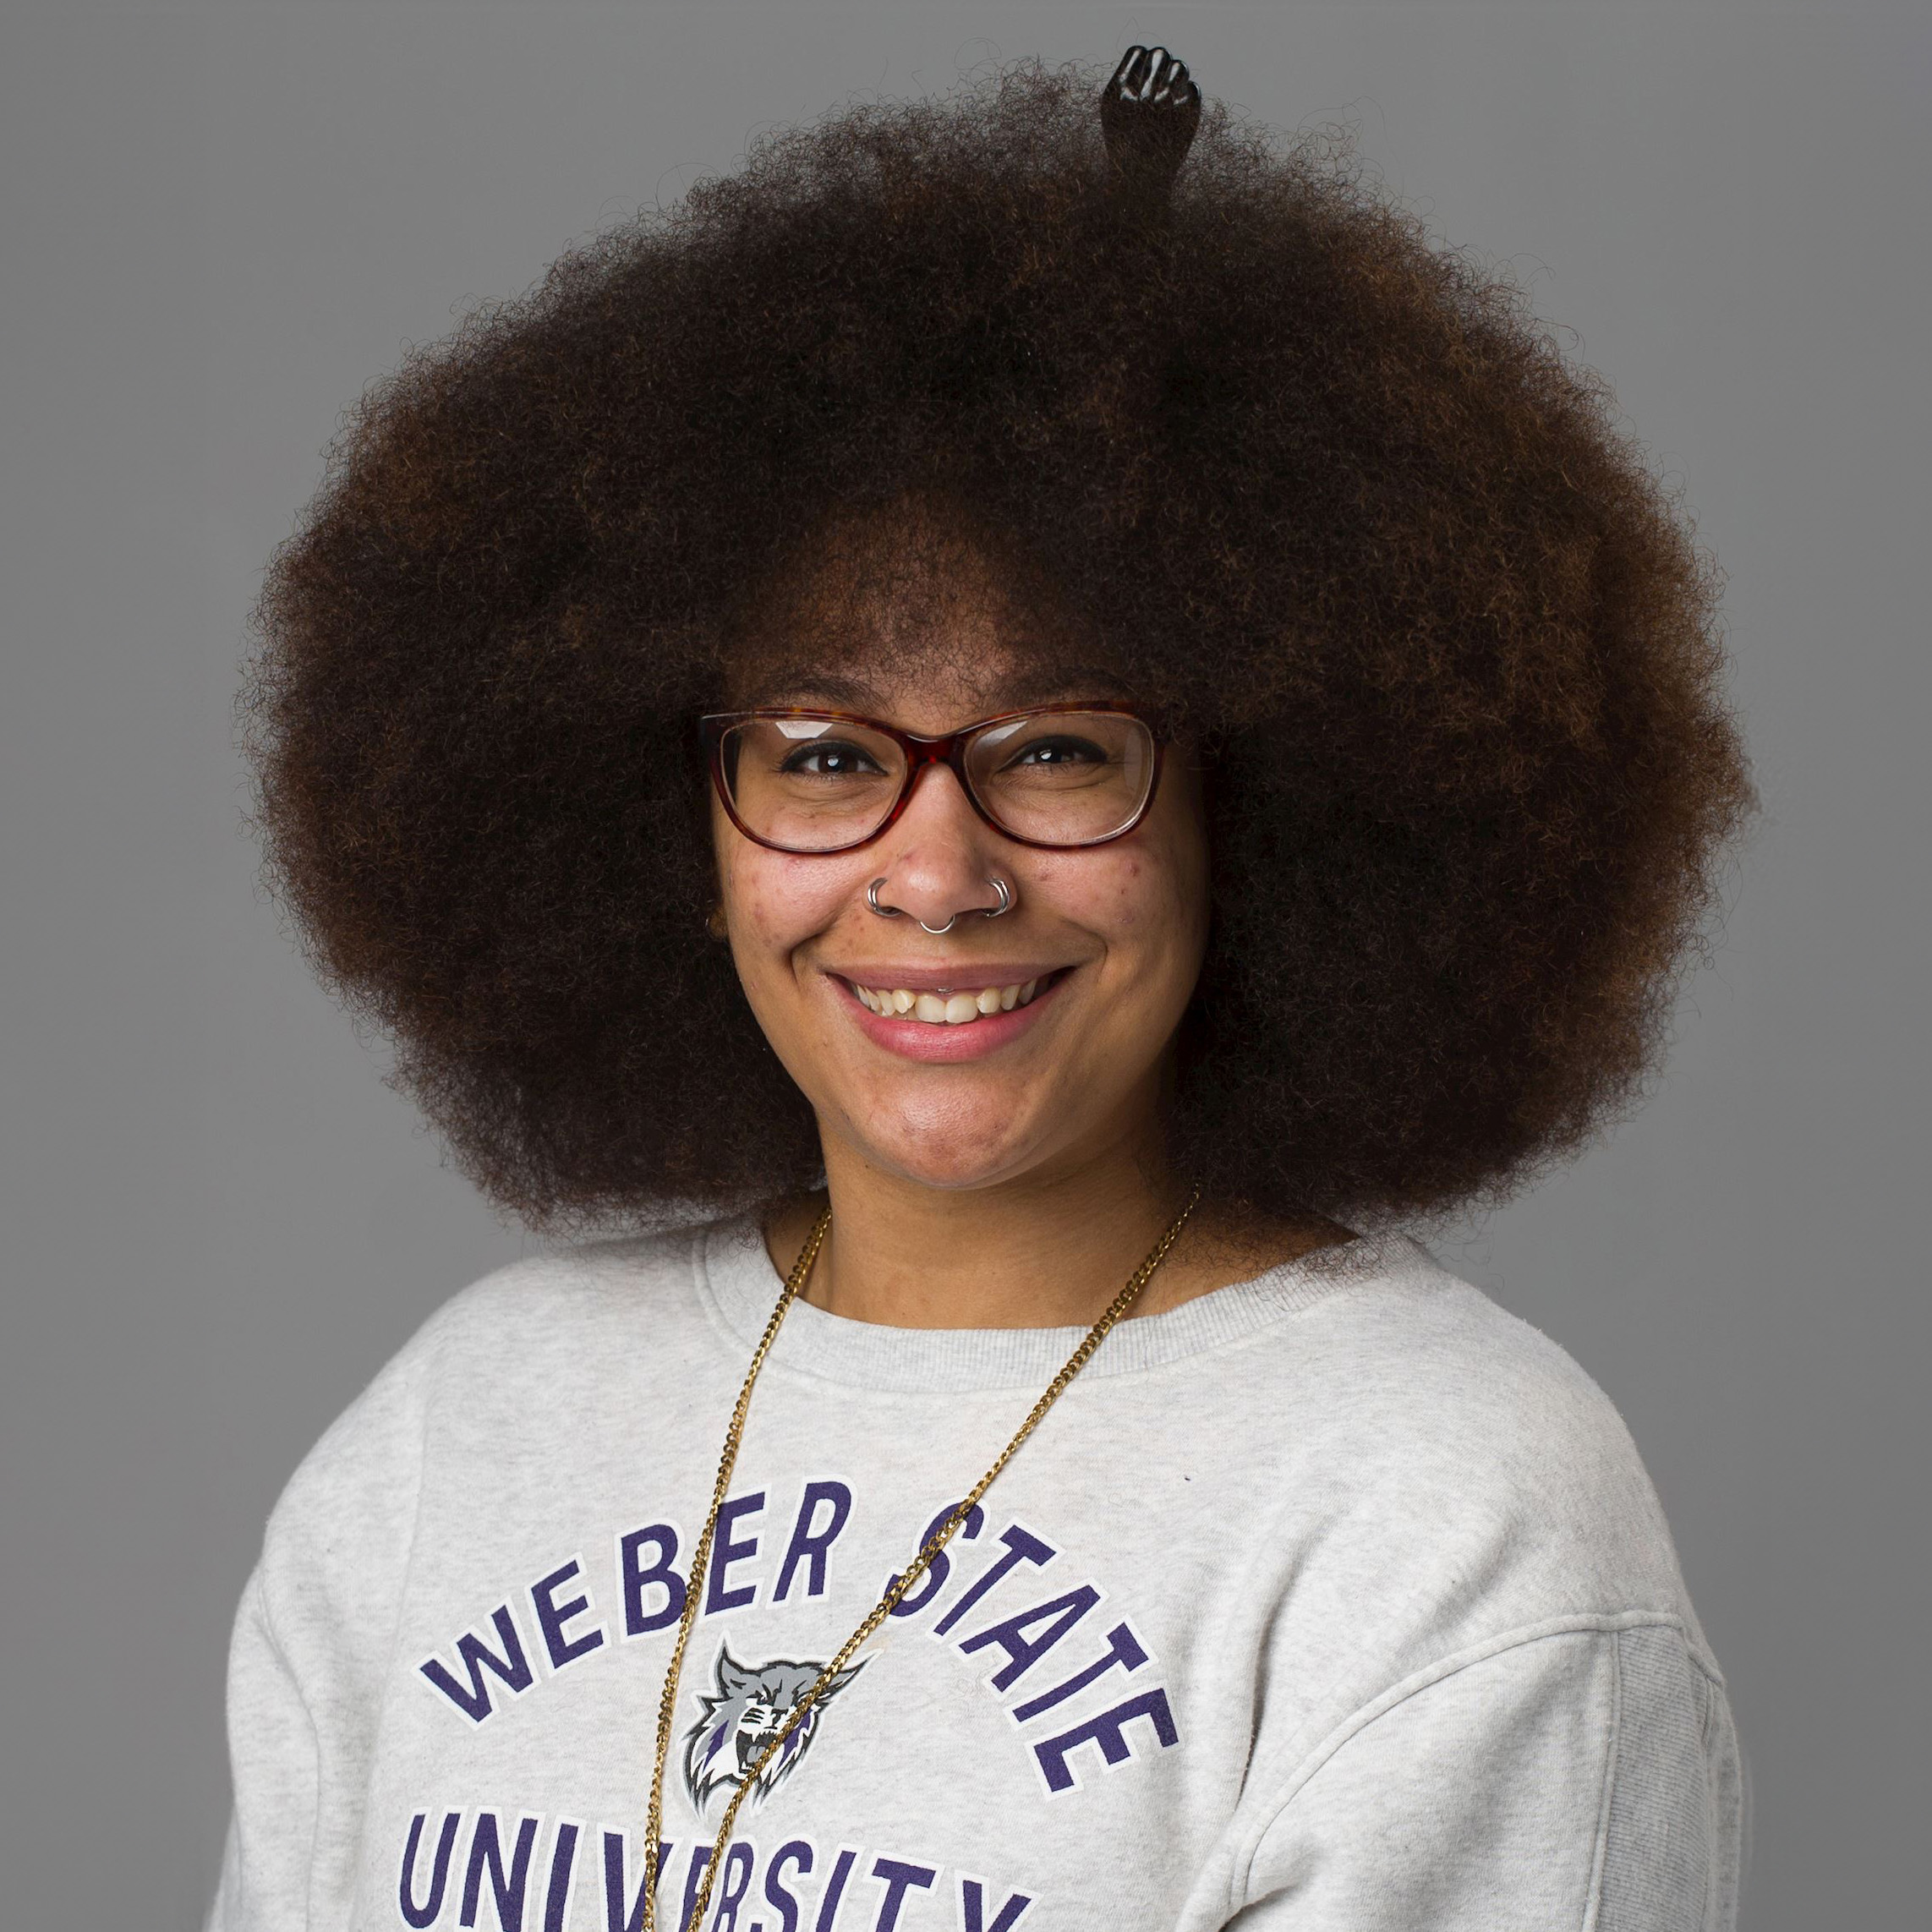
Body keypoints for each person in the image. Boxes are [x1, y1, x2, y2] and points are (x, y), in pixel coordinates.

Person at [212, 48, 1752, 1932]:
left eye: (1059, 750)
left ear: (1257, 815)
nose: (935, 877)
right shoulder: (461, 1429)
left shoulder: (1438, 1513)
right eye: (822, 755)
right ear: (672, 832)